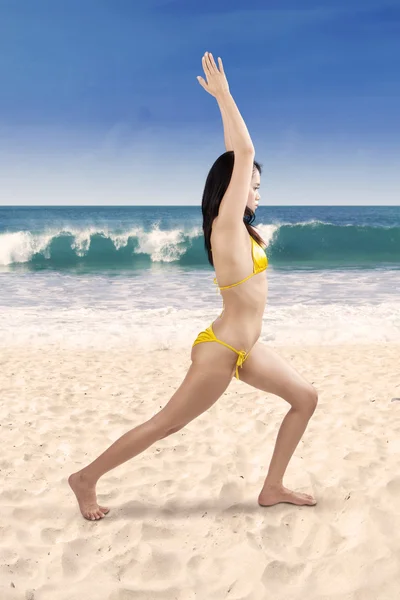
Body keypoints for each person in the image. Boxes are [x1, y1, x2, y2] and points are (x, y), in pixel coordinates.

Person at [69, 52, 318, 520]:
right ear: (232, 190)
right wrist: (225, 96)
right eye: (254, 186)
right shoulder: (225, 228)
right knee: (166, 424)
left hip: (246, 348)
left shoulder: (239, 228)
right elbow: (240, 155)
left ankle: (272, 487)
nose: (258, 193)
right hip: (220, 351)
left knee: (305, 398)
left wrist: (221, 110)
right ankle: (85, 478)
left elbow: (233, 156)